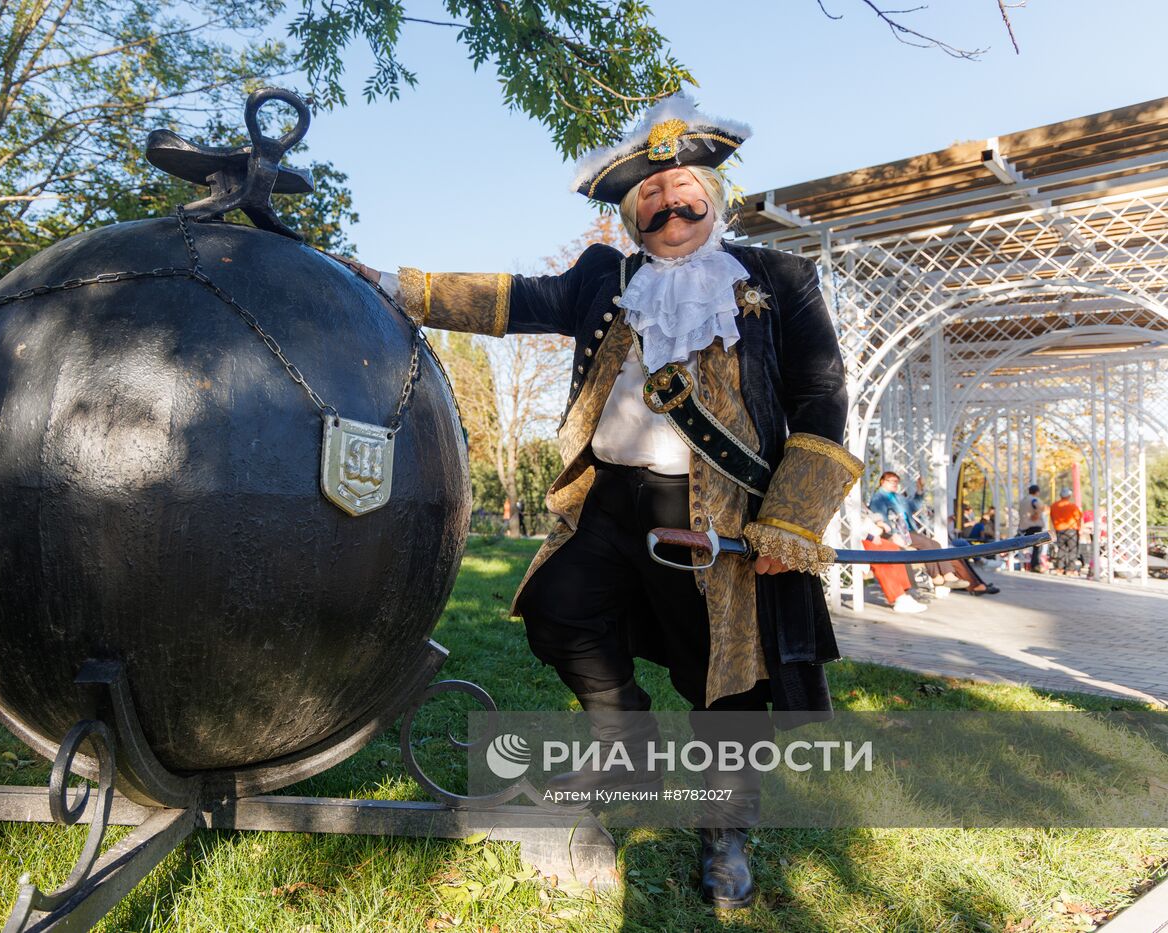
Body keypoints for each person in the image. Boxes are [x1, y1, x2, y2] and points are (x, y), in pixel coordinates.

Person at [351, 93, 857, 910]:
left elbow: (822, 393)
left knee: (723, 686)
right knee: (557, 608)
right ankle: (626, 736)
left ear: (712, 194)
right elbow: (510, 299)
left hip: (723, 518)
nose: (667, 202)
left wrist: (792, 518)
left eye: (681, 186)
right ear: (631, 214)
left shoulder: (779, 278)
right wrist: (392, 284)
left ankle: (723, 830)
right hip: (612, 501)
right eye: (648, 195)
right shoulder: (605, 278)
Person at [867, 471, 967, 592]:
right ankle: (938, 576)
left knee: (935, 544)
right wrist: (890, 533)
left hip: (907, 530)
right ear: (882, 481)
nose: (894, 484)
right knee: (927, 544)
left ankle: (944, 576)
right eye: (891, 481)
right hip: (895, 533)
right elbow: (878, 516)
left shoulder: (897, 497)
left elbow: (914, 506)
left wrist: (919, 491)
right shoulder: (879, 497)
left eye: (896, 481)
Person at [859, 509, 926, 613]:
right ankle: (898, 597)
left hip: (869, 535)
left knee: (895, 551)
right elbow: (850, 526)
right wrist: (870, 536)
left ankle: (903, 593)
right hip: (859, 541)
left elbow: (870, 515)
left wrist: (877, 524)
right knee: (883, 560)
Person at [1048, 488, 1083, 575]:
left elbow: (1052, 517)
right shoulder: (1073, 506)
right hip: (1071, 530)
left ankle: (1060, 568)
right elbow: (1078, 518)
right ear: (1069, 496)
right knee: (1072, 550)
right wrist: (1080, 529)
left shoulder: (1054, 506)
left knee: (1061, 549)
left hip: (1059, 530)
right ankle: (1070, 569)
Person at [1017, 484, 1046, 572]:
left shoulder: (1023, 500)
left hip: (1023, 526)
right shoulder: (1034, 499)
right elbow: (1039, 506)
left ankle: (1024, 563)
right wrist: (1037, 513)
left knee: (1024, 544)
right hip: (1034, 525)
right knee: (1038, 545)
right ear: (1037, 492)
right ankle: (1035, 565)